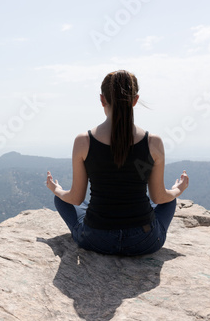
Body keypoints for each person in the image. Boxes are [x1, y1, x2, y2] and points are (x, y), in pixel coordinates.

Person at [46, 70, 189, 256]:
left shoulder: (84, 141)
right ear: (135, 100)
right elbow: (159, 198)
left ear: (102, 99)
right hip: (144, 240)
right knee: (169, 201)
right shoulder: (153, 142)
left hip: (97, 238)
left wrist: (55, 188)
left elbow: (75, 199)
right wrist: (179, 188)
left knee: (61, 199)